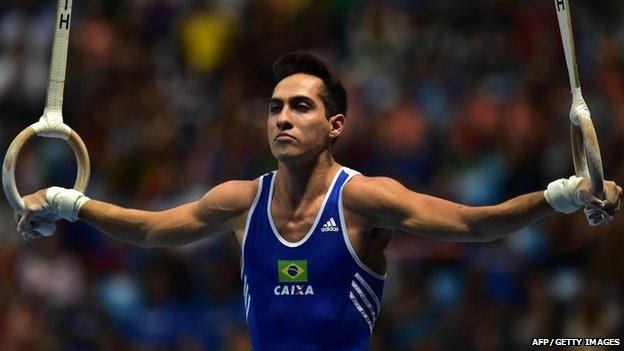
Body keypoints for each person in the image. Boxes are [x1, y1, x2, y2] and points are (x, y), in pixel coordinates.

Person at [16, 51, 622, 351]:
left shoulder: (364, 199)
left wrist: (563, 194)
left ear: (335, 125)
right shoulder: (238, 202)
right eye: (275, 107)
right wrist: (70, 203)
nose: (283, 117)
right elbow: (148, 231)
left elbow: (472, 224)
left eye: (300, 106)